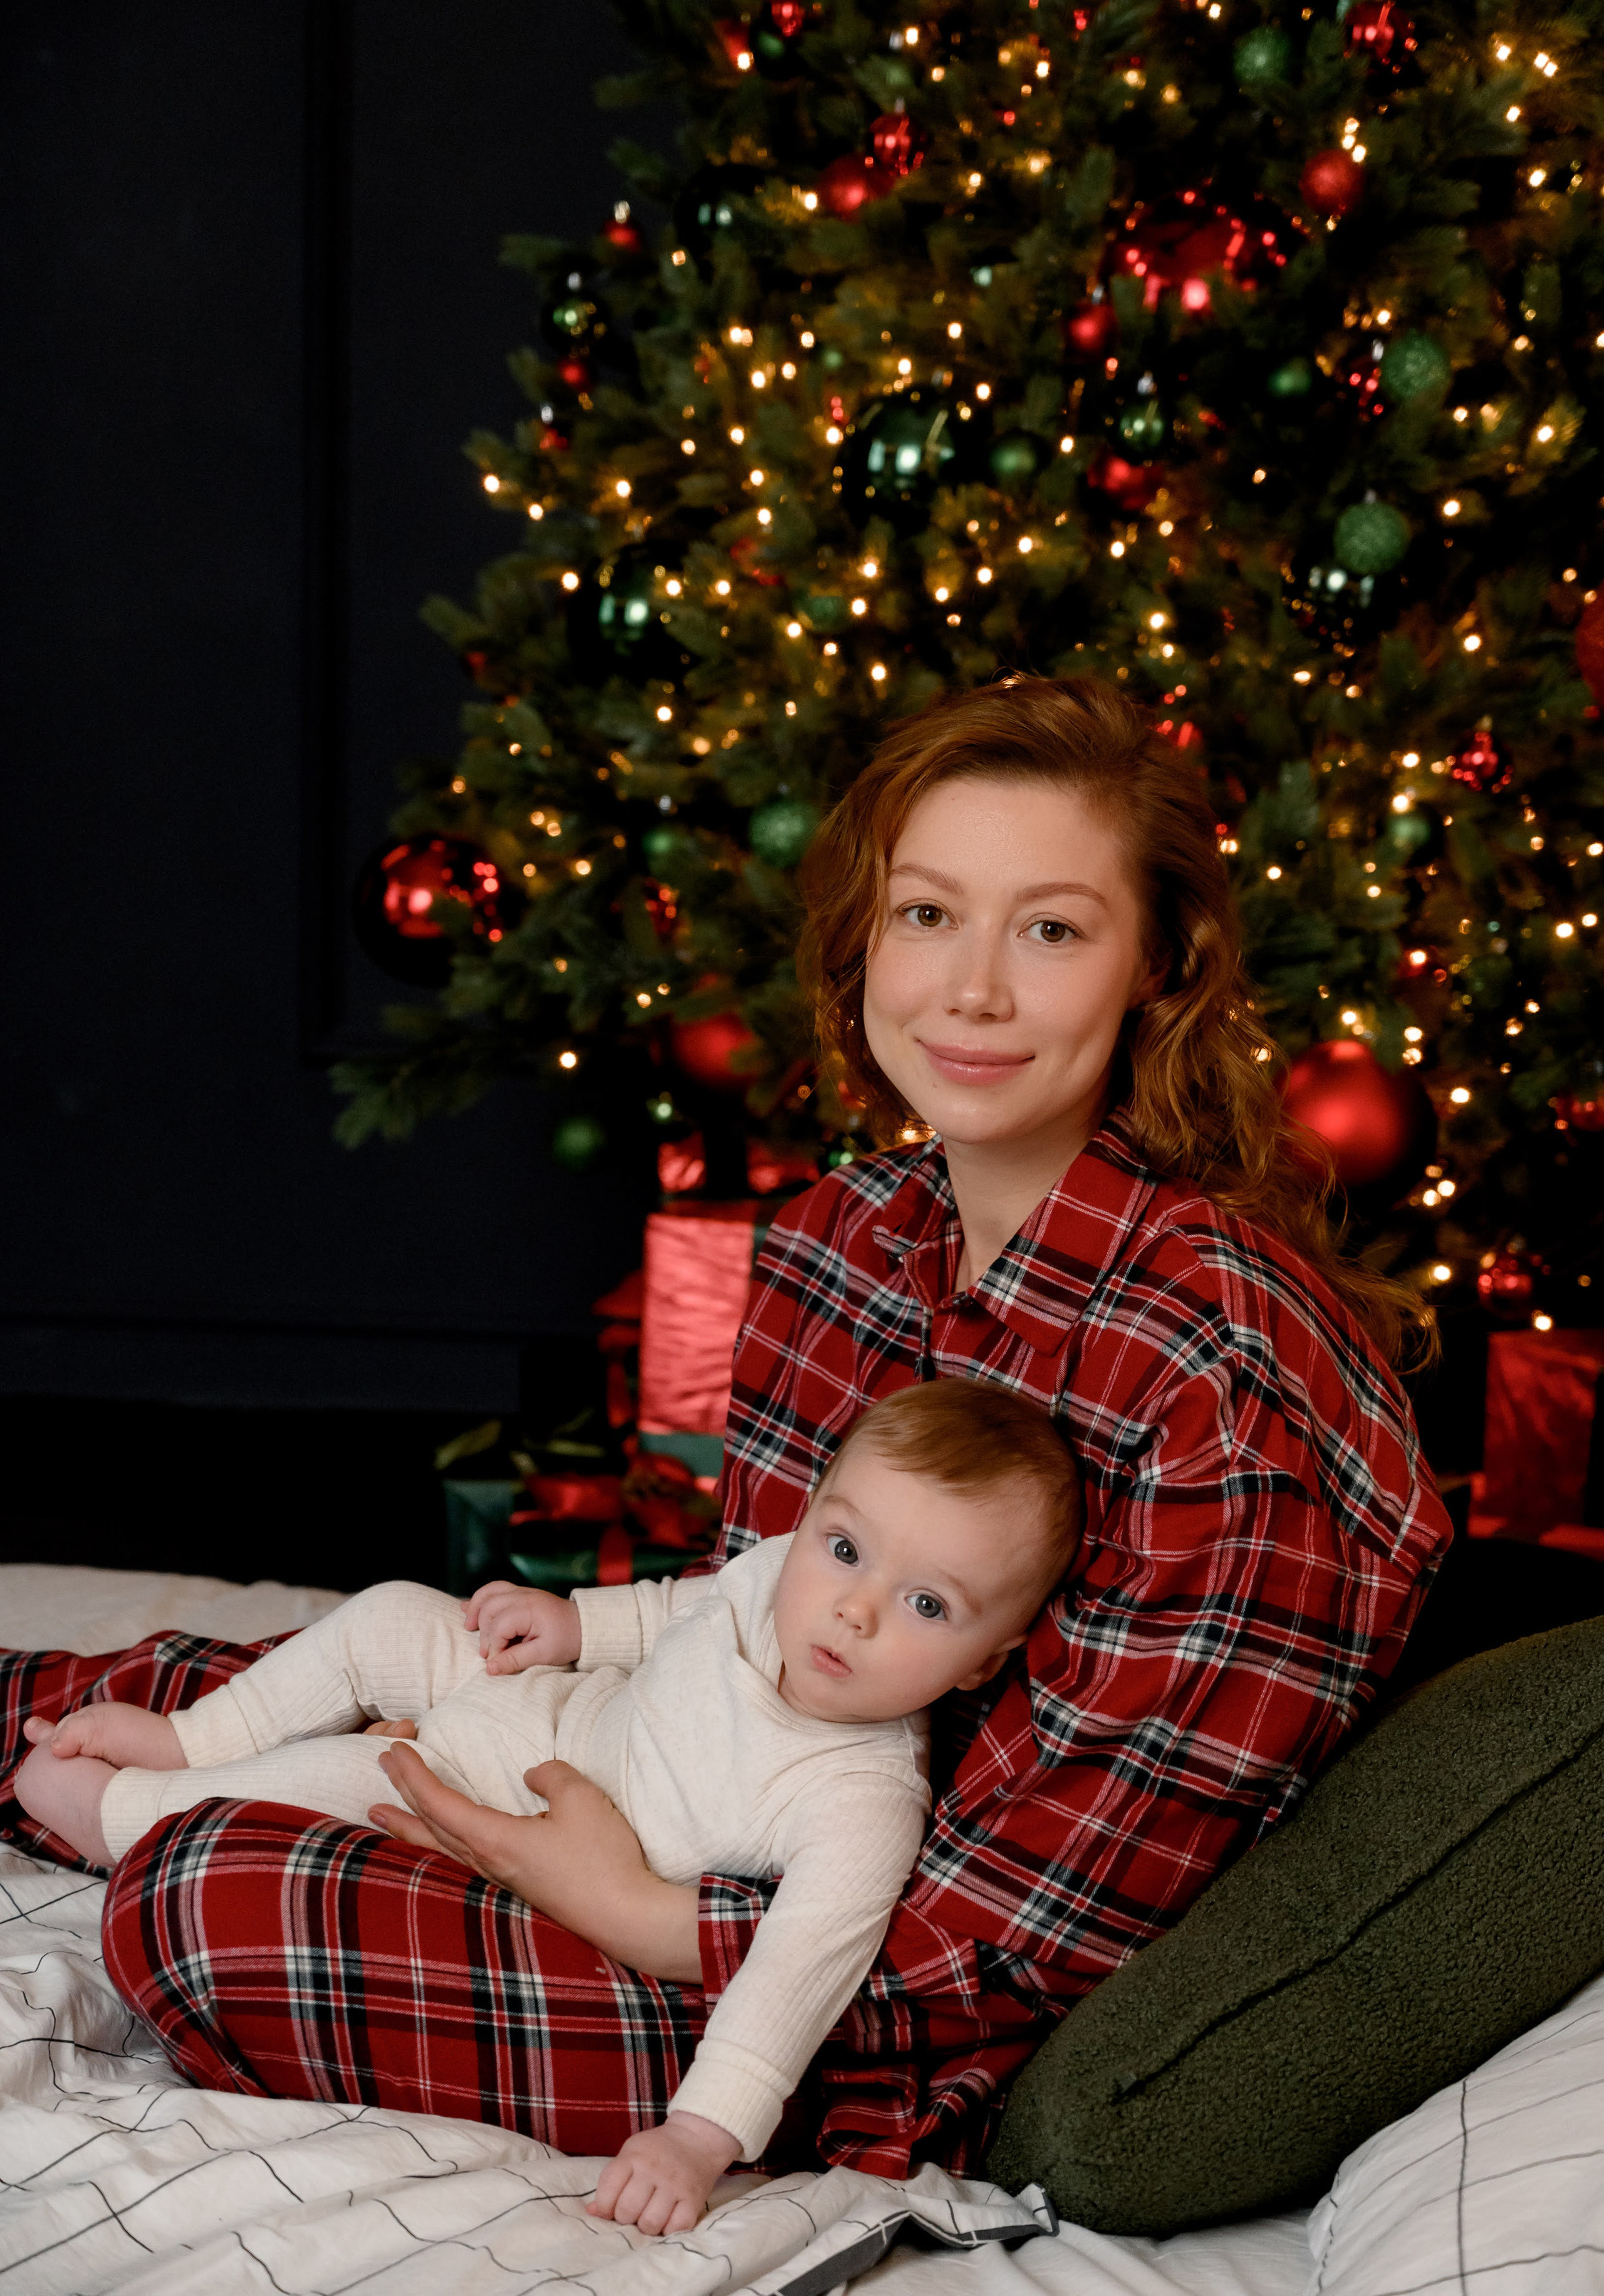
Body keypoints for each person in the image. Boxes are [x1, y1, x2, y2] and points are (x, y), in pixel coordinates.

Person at [0, 676, 1449, 2209]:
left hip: (845, 2010)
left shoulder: (1218, 1367)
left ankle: (227, 1829)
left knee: (207, 1895)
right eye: (925, 915)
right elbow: (745, 1621)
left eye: (1049, 929)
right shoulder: (842, 1241)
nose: (968, 991)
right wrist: (543, 1695)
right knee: (187, 1683)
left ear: (1152, 967)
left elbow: (1034, 1926)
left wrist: (621, 1903)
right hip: (678, 1816)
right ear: (863, 941)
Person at [15, 1379, 1081, 2233]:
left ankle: (125, 1813)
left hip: (529, 1836)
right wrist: (574, 1626)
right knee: (390, 1617)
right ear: (814, 1524)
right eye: (844, 1550)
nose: (854, 1607)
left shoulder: (859, 1799)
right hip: (557, 1717)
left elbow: (792, 1981)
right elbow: (688, 1605)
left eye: (926, 1604)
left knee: (352, 1791)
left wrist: (701, 2138)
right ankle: (196, 1736)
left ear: (984, 1660)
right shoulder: (775, 1580)